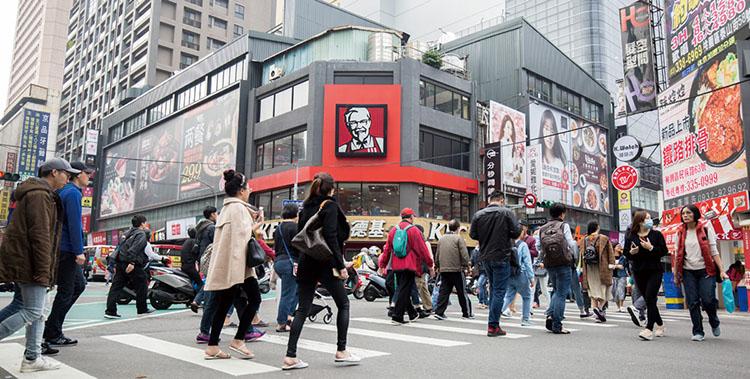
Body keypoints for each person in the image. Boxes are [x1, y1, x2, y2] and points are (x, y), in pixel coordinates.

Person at [0, 158, 78, 372]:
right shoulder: (40, 195)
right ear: (54, 172)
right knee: (34, 311)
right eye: (66, 174)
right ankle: (32, 357)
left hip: (25, 259)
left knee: (21, 306)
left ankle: (32, 358)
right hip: (31, 261)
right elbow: (40, 236)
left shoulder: (37, 193)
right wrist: (45, 271)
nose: (68, 179)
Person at [283, 172, 359, 370]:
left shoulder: (305, 207)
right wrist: (341, 266)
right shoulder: (330, 206)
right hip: (325, 263)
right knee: (343, 304)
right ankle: (341, 351)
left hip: (307, 262)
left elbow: (303, 238)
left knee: (302, 309)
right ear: (331, 188)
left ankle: (290, 356)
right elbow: (332, 237)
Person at [202, 170, 262, 360]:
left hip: (227, 265)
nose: (250, 190)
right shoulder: (239, 209)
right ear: (241, 190)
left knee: (223, 304)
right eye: (248, 187)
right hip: (238, 266)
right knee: (255, 299)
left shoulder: (227, 208)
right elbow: (242, 238)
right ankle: (238, 340)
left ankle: (212, 345)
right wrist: (256, 227)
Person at [43, 162, 93, 348]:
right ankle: (52, 332)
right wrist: (79, 251)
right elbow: (74, 225)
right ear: (78, 174)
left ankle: (52, 326)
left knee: (78, 285)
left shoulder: (64, 192)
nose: (89, 177)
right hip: (66, 249)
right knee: (67, 290)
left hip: (61, 248)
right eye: (87, 173)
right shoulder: (72, 193)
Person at [673, 204, 729, 342]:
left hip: (706, 270)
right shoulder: (679, 232)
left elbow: (714, 252)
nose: (685, 215)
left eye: (688, 213)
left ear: (695, 214)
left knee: (708, 300)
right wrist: (676, 275)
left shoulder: (705, 229)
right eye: (683, 213)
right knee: (692, 302)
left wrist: (722, 270)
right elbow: (676, 255)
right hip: (687, 272)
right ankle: (698, 331)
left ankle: (714, 321)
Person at [470, 190, 521, 337]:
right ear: (502, 200)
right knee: (499, 291)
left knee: (493, 290)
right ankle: (493, 326)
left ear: (490, 200)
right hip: (502, 255)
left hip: (485, 256)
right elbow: (516, 232)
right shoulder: (506, 213)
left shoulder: (478, 215)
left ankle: (493, 324)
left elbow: (473, 235)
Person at [378, 208, 435, 326]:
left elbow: (387, 249)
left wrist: (382, 265)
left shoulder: (393, 230)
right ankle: (397, 316)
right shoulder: (414, 230)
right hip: (410, 265)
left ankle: (412, 313)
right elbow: (423, 250)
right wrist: (430, 265)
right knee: (405, 288)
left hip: (396, 265)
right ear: (411, 217)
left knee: (405, 287)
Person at [623, 210, 668, 341]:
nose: (650, 220)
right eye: (646, 218)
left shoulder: (656, 235)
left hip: (655, 270)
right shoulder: (632, 236)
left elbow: (663, 251)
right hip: (639, 271)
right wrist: (632, 252)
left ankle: (649, 329)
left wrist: (651, 248)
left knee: (649, 296)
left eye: (650, 218)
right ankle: (660, 324)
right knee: (650, 301)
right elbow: (626, 253)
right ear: (639, 221)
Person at [537, 203, 578, 334]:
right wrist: (574, 257)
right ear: (562, 214)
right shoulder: (563, 225)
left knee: (556, 290)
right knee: (561, 293)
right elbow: (571, 243)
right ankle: (557, 324)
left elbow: (538, 246)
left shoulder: (542, 228)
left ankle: (550, 314)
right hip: (563, 262)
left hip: (549, 263)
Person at [104, 215, 154, 318]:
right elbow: (134, 249)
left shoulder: (126, 233)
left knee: (116, 287)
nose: (145, 224)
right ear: (142, 224)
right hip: (131, 264)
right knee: (142, 283)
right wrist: (132, 263)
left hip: (120, 263)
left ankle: (110, 311)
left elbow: (120, 248)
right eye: (145, 222)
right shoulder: (141, 234)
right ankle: (142, 309)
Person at [433, 219, 471, 320]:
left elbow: (437, 255)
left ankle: (439, 312)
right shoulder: (458, 239)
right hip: (457, 269)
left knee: (444, 291)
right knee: (461, 292)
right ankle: (466, 313)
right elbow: (464, 255)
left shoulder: (441, 239)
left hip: (444, 269)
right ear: (458, 228)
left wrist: (437, 266)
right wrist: (466, 265)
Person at [580, 220, 615, 323]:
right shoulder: (604, 238)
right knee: (606, 289)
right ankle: (599, 309)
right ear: (597, 227)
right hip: (602, 267)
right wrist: (612, 265)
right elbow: (610, 253)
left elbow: (582, 255)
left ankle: (596, 312)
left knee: (593, 290)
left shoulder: (584, 240)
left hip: (589, 268)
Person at [273, 204, 300, 333]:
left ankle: (288, 317)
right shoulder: (295, 228)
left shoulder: (277, 228)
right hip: (290, 263)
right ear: (296, 214)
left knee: (294, 291)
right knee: (288, 294)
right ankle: (282, 322)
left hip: (278, 262)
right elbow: (300, 247)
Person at [501, 233, 535, 326]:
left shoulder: (506, 244)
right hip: (520, 273)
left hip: (508, 274)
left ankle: (498, 312)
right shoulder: (523, 245)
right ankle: (525, 319)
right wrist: (531, 277)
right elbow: (527, 262)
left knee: (509, 295)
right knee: (527, 296)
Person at [190, 206, 218, 312]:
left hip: (203, 259)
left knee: (208, 282)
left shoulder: (200, 228)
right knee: (210, 283)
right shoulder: (211, 228)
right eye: (216, 213)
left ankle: (199, 302)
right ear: (212, 214)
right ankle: (205, 305)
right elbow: (218, 242)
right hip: (211, 258)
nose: (217, 215)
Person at [180, 228, 202, 300]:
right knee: (200, 283)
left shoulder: (186, 241)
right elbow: (196, 252)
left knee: (192, 282)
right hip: (190, 266)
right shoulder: (194, 242)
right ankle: (198, 300)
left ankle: (191, 298)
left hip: (184, 266)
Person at [610, 243, 628, 313]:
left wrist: (624, 255)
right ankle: (618, 306)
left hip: (621, 275)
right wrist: (616, 266)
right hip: (612, 275)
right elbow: (608, 265)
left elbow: (624, 265)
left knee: (621, 290)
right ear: (614, 248)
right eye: (618, 246)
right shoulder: (610, 256)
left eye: (620, 246)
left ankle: (621, 306)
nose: (620, 247)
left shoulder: (623, 256)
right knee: (614, 292)